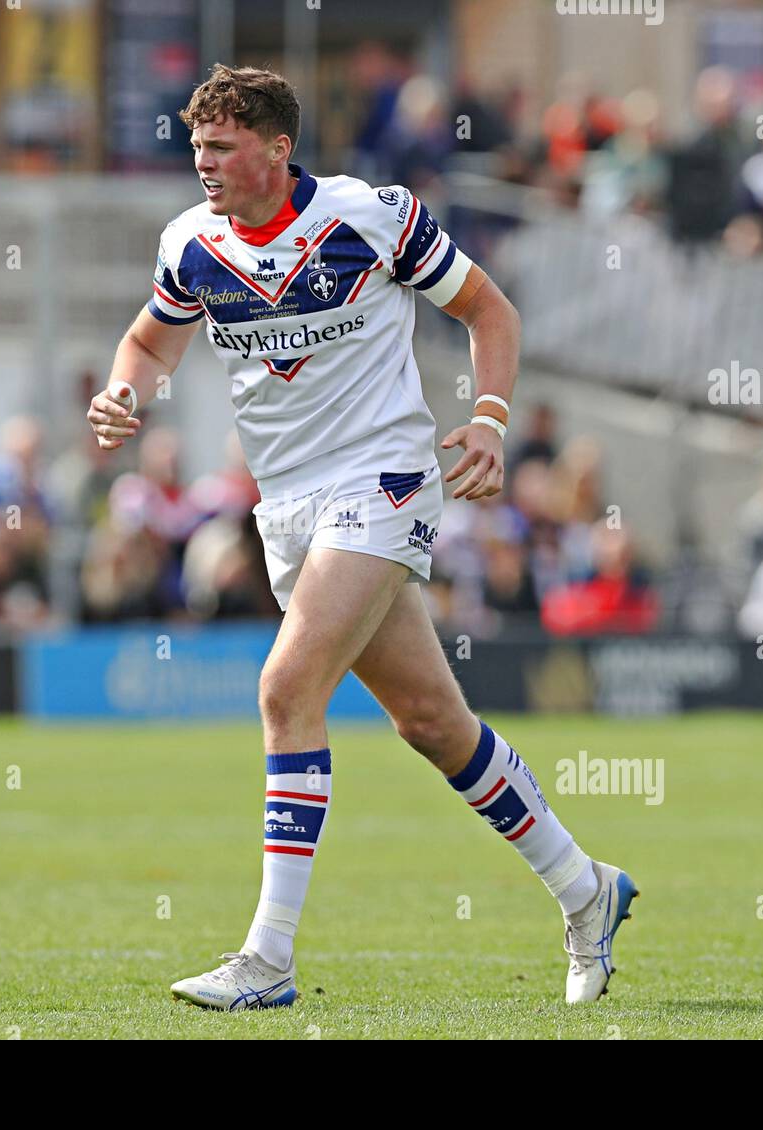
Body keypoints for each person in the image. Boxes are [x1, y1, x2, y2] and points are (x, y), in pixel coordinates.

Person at [86, 65, 638, 1011]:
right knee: (432, 725)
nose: (204, 165)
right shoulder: (192, 244)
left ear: (276, 148)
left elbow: (488, 311)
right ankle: (587, 890)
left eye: (221, 147)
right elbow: (150, 340)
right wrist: (124, 391)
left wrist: (491, 419)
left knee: (285, 688)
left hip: (383, 481)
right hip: (289, 506)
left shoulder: (369, 216)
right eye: (197, 148)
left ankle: (268, 960)